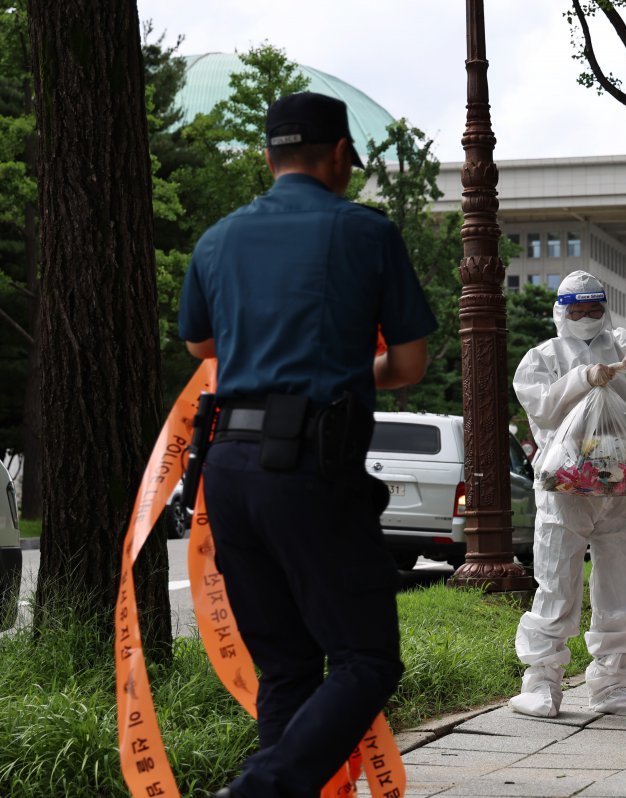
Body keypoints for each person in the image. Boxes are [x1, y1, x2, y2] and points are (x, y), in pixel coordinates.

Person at [178, 91, 437, 797]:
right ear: (341, 157)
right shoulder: (366, 232)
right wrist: (352, 368)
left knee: (287, 668)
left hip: (227, 466)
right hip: (312, 467)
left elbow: (202, 343)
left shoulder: (216, 238)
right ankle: (259, 789)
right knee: (365, 658)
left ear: (267, 158)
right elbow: (408, 367)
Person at [510, 270, 626, 718]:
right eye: (578, 310)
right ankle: (540, 682)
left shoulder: (624, 341)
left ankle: (611, 680)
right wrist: (583, 378)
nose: (588, 318)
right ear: (561, 312)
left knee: (622, 582)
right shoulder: (543, 357)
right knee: (556, 583)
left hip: (624, 484)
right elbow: (544, 409)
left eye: (595, 309)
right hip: (565, 487)